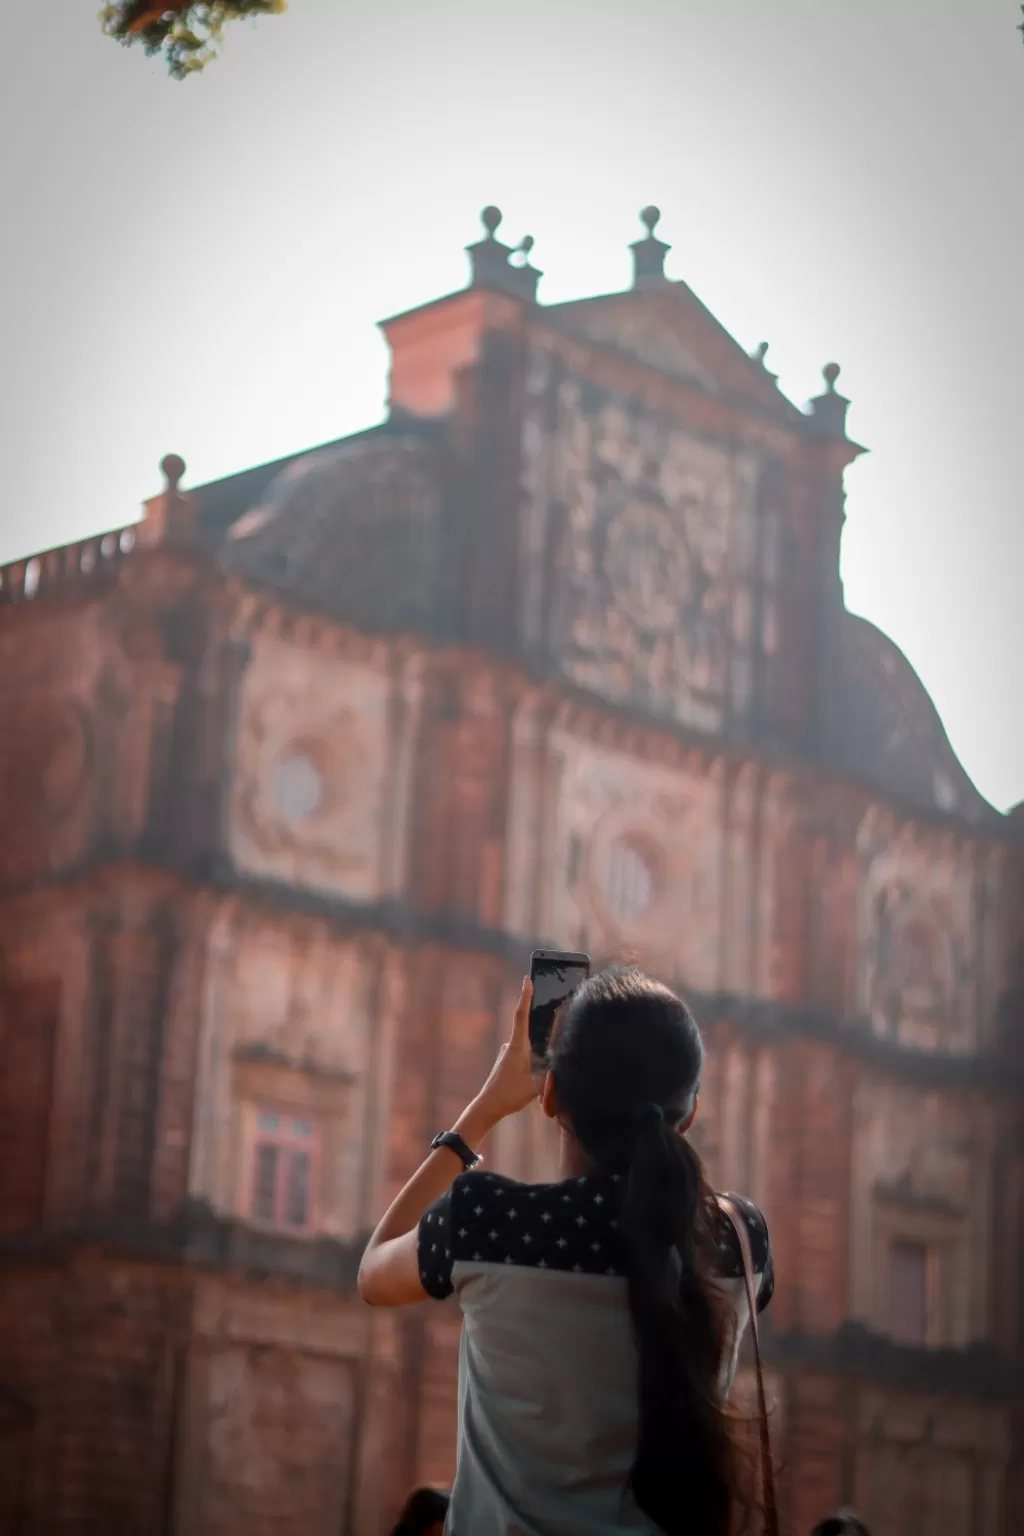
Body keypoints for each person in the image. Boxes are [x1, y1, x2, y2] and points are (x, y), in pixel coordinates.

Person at [359, 967, 775, 1534]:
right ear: (691, 1113)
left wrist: (482, 1112)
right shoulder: (739, 1242)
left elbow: (373, 1270)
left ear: (551, 1095)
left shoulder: (490, 1222)